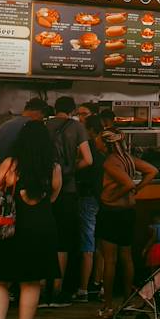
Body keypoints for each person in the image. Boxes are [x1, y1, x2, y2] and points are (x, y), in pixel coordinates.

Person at [0, 121, 62, 319]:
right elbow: (54, 196)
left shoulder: (10, 164)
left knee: (0, 281)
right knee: (31, 283)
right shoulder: (53, 167)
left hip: (12, 228)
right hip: (42, 228)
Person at [97, 110, 158, 318]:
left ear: (106, 144)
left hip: (112, 212)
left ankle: (107, 306)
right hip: (129, 211)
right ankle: (127, 301)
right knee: (127, 257)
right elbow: (152, 171)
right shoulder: (129, 159)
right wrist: (137, 189)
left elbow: (125, 182)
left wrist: (111, 195)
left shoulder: (110, 162)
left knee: (110, 260)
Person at [45, 96, 93, 307]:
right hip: (68, 190)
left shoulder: (44, 126)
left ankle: (40, 293)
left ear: (56, 109)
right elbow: (88, 159)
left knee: (45, 238)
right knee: (63, 241)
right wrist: (71, 170)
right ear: (72, 110)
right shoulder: (77, 127)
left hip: (45, 189)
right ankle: (57, 290)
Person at [74, 115, 106, 303]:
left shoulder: (89, 150)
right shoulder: (106, 153)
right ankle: (98, 284)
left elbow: (85, 168)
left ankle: (83, 289)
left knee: (87, 243)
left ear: (91, 131)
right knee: (100, 243)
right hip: (103, 199)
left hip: (88, 198)